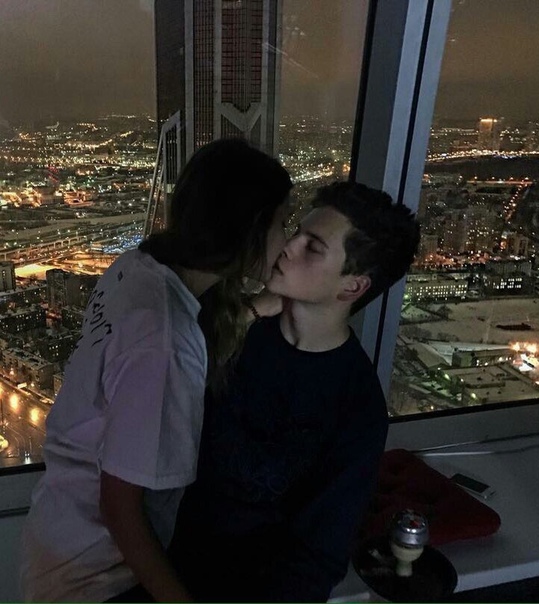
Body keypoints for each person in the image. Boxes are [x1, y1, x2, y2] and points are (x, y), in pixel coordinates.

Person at [19, 138, 293, 603]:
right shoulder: (165, 342)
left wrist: (253, 309)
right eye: (282, 223)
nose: (287, 239)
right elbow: (120, 508)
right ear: (247, 229)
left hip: (58, 538)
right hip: (97, 580)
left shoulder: (137, 267)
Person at [170, 181, 421, 602]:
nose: (288, 246)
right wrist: (250, 312)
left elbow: (316, 556)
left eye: (313, 247)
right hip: (164, 560)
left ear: (352, 287)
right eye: (296, 232)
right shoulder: (237, 331)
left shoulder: (356, 405)